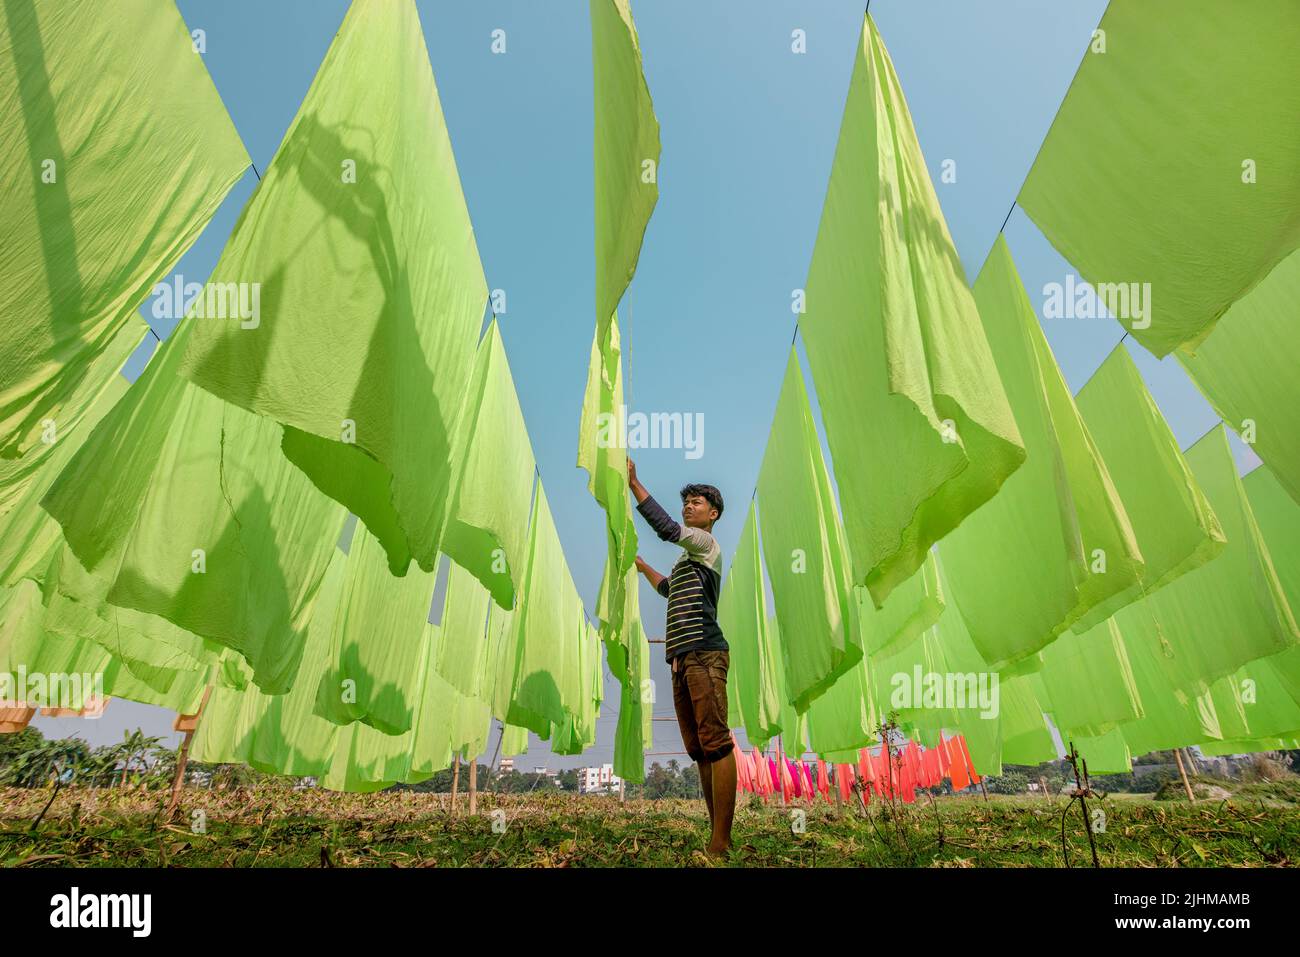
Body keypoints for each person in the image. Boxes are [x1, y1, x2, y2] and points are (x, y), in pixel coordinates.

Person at [628, 458, 735, 856]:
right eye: (687, 501)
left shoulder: (706, 544)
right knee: (700, 750)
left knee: (717, 743)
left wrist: (635, 483)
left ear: (713, 514)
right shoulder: (687, 560)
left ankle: (720, 843)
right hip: (681, 659)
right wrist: (643, 568)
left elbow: (668, 529)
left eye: (697, 502)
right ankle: (715, 833)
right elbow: (668, 590)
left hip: (704, 654)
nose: (689, 506)